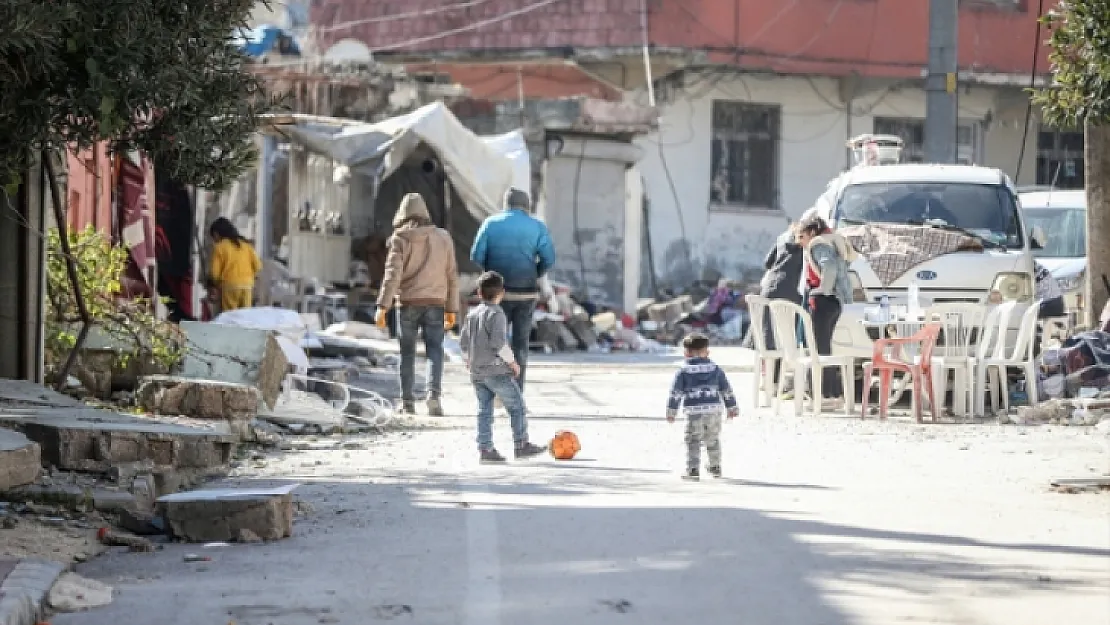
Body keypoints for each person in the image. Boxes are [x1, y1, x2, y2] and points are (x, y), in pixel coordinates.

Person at [374, 193, 460, 416]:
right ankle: (433, 396)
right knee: (435, 351)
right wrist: (452, 309)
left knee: (407, 354)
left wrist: (383, 306)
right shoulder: (443, 238)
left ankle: (408, 402)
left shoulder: (399, 239)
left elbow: (392, 275)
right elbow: (452, 275)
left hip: (408, 304)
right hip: (436, 303)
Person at [470, 188, 556, 393]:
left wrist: (489, 274)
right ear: (526, 206)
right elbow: (549, 259)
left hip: (496, 294)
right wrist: (535, 273)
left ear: (506, 205)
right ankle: (516, 392)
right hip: (526, 293)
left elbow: (476, 255)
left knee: (494, 342)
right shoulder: (537, 226)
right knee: (520, 344)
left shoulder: (491, 223)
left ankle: (495, 391)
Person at [459, 271, 547, 464]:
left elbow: (463, 342)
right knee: (517, 406)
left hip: (477, 372)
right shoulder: (497, 314)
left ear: (479, 293)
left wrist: (468, 359)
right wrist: (513, 363)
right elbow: (499, 343)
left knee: (484, 410)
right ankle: (521, 444)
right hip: (496, 371)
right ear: (501, 293)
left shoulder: (472, 314)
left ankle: (485, 448)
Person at [796, 214, 858, 409]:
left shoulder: (818, 244)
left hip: (824, 301)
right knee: (826, 348)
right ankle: (832, 394)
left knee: (818, 349)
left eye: (802, 236)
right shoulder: (834, 240)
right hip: (836, 300)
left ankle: (823, 395)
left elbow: (828, 267)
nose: (801, 242)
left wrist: (823, 289)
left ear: (812, 232)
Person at [666, 333, 740, 481]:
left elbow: (676, 392)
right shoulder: (715, 369)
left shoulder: (683, 371)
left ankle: (693, 469)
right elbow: (726, 389)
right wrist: (732, 408)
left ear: (686, 353)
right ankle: (715, 466)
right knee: (712, 438)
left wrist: (671, 411)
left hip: (694, 412)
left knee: (693, 440)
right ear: (706, 351)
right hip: (714, 411)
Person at [750, 220, 804, 384]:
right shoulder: (805, 244)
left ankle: (768, 380)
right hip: (791, 290)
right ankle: (779, 380)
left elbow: (767, 262)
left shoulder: (781, 239)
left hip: (769, 287)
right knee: (787, 334)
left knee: (769, 333)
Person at [208, 217, 261, 312]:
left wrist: (213, 284)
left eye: (213, 236)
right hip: (247, 286)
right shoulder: (246, 245)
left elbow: (214, 273)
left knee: (230, 317)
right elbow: (257, 266)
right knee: (244, 316)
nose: (214, 240)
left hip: (229, 286)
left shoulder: (220, 247)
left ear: (217, 233)